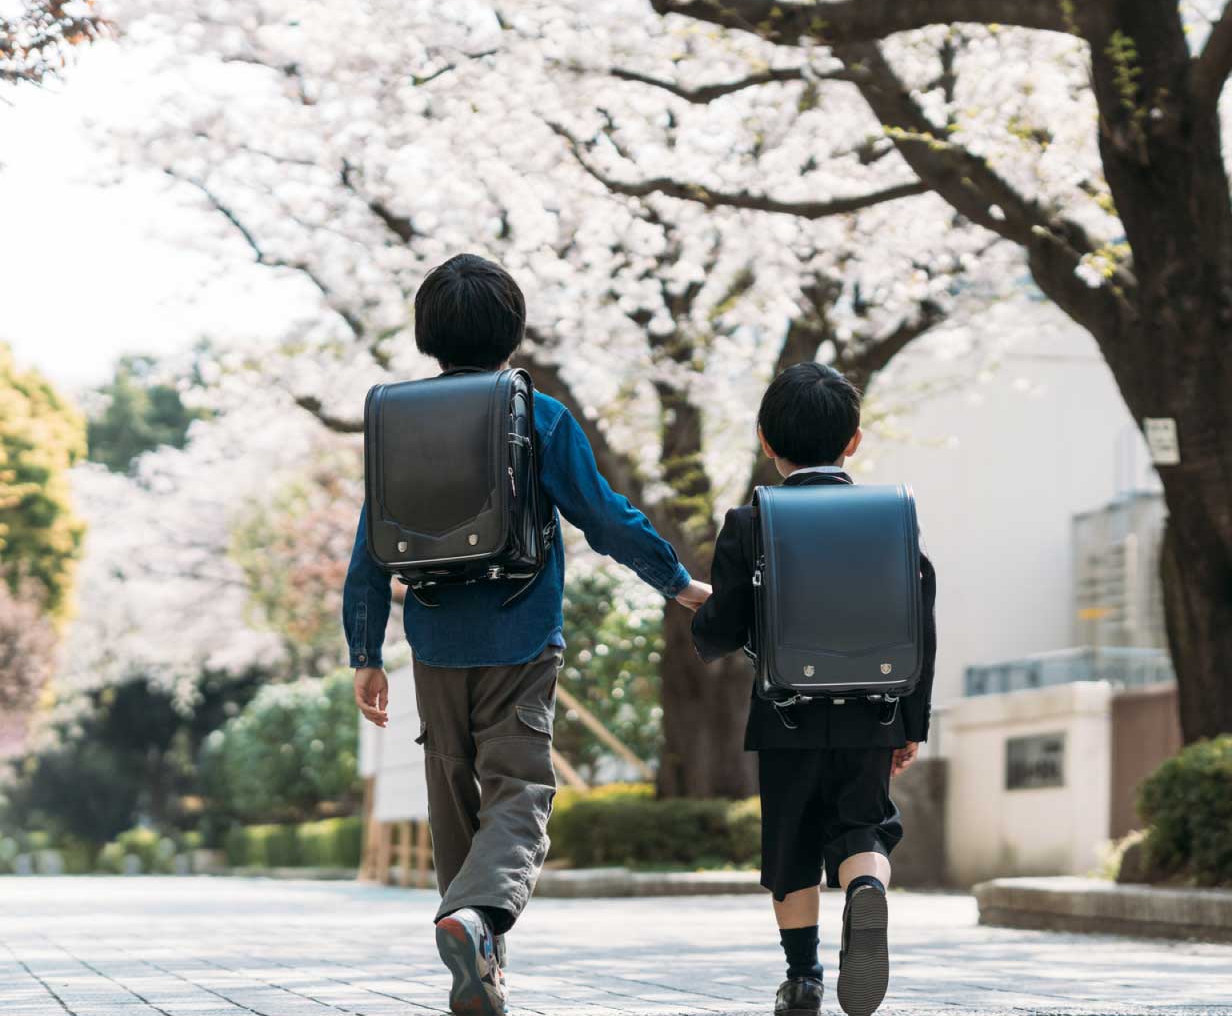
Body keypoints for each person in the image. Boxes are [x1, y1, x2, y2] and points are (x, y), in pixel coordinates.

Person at [342, 253, 711, 1016]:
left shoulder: (396, 420)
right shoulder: (538, 415)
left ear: (427, 335)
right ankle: (477, 924)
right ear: (514, 332)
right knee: (520, 790)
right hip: (521, 634)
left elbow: (369, 546)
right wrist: (674, 580)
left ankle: (476, 947)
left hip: (436, 641)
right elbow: (604, 518)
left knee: (455, 801)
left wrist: (364, 652)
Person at [689, 361, 936, 1016]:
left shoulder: (751, 522)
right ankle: (864, 885)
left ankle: (803, 978)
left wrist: (700, 612)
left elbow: (722, 629)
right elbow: (922, 615)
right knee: (864, 826)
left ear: (766, 441)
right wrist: (912, 720)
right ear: (852, 440)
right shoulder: (892, 515)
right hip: (873, 709)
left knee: (792, 842)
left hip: (785, 715)